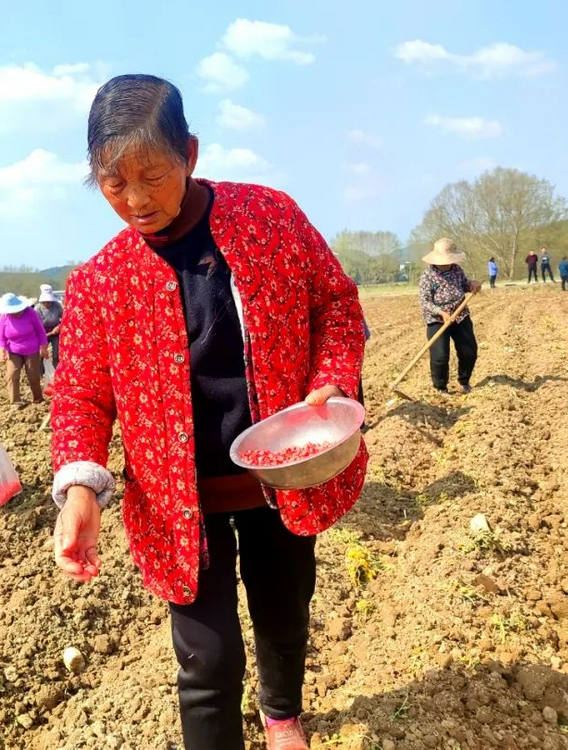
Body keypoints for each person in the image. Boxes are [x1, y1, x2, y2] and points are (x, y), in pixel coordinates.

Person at [50, 74, 367, 750]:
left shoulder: (269, 219)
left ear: (189, 154)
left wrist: (334, 382)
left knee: (284, 609)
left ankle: (282, 713)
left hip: (281, 472)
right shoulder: (100, 280)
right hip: (174, 500)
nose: (135, 200)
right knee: (207, 655)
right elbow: (80, 389)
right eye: (113, 184)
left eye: (153, 175)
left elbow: (335, 304)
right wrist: (80, 487)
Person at [417, 238, 483, 394]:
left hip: (460, 315)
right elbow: (424, 301)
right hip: (437, 319)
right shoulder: (428, 276)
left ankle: (464, 381)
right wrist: (441, 313)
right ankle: (441, 387)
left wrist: (473, 284)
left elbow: (464, 285)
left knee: (469, 351)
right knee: (440, 356)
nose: (446, 263)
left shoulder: (457, 270)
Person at [0, 293, 48, 408]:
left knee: (33, 375)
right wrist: (2, 350)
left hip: (32, 349)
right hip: (13, 350)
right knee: (12, 375)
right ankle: (15, 401)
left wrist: (44, 346)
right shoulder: (4, 317)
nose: (14, 313)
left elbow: (40, 331)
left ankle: (38, 399)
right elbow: (1, 337)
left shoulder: (31, 313)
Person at [35, 284, 64, 368]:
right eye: (45, 302)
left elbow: (64, 318)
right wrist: (43, 336)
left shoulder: (57, 306)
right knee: (41, 354)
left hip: (55, 333)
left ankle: (57, 370)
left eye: (49, 302)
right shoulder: (37, 309)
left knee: (56, 354)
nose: (47, 304)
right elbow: (35, 325)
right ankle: (40, 372)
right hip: (42, 333)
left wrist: (59, 326)